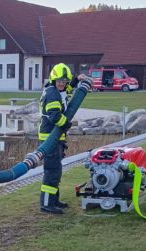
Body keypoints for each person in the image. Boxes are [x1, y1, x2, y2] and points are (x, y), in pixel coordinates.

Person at [38, 64, 93, 214]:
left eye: (65, 81)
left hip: (55, 137)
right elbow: (55, 116)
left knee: (56, 171)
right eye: (60, 81)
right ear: (54, 79)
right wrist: (67, 124)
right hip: (50, 138)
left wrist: (76, 80)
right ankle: (47, 204)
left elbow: (66, 91)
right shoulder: (52, 94)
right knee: (51, 171)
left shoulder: (56, 90)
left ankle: (54, 200)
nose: (62, 83)